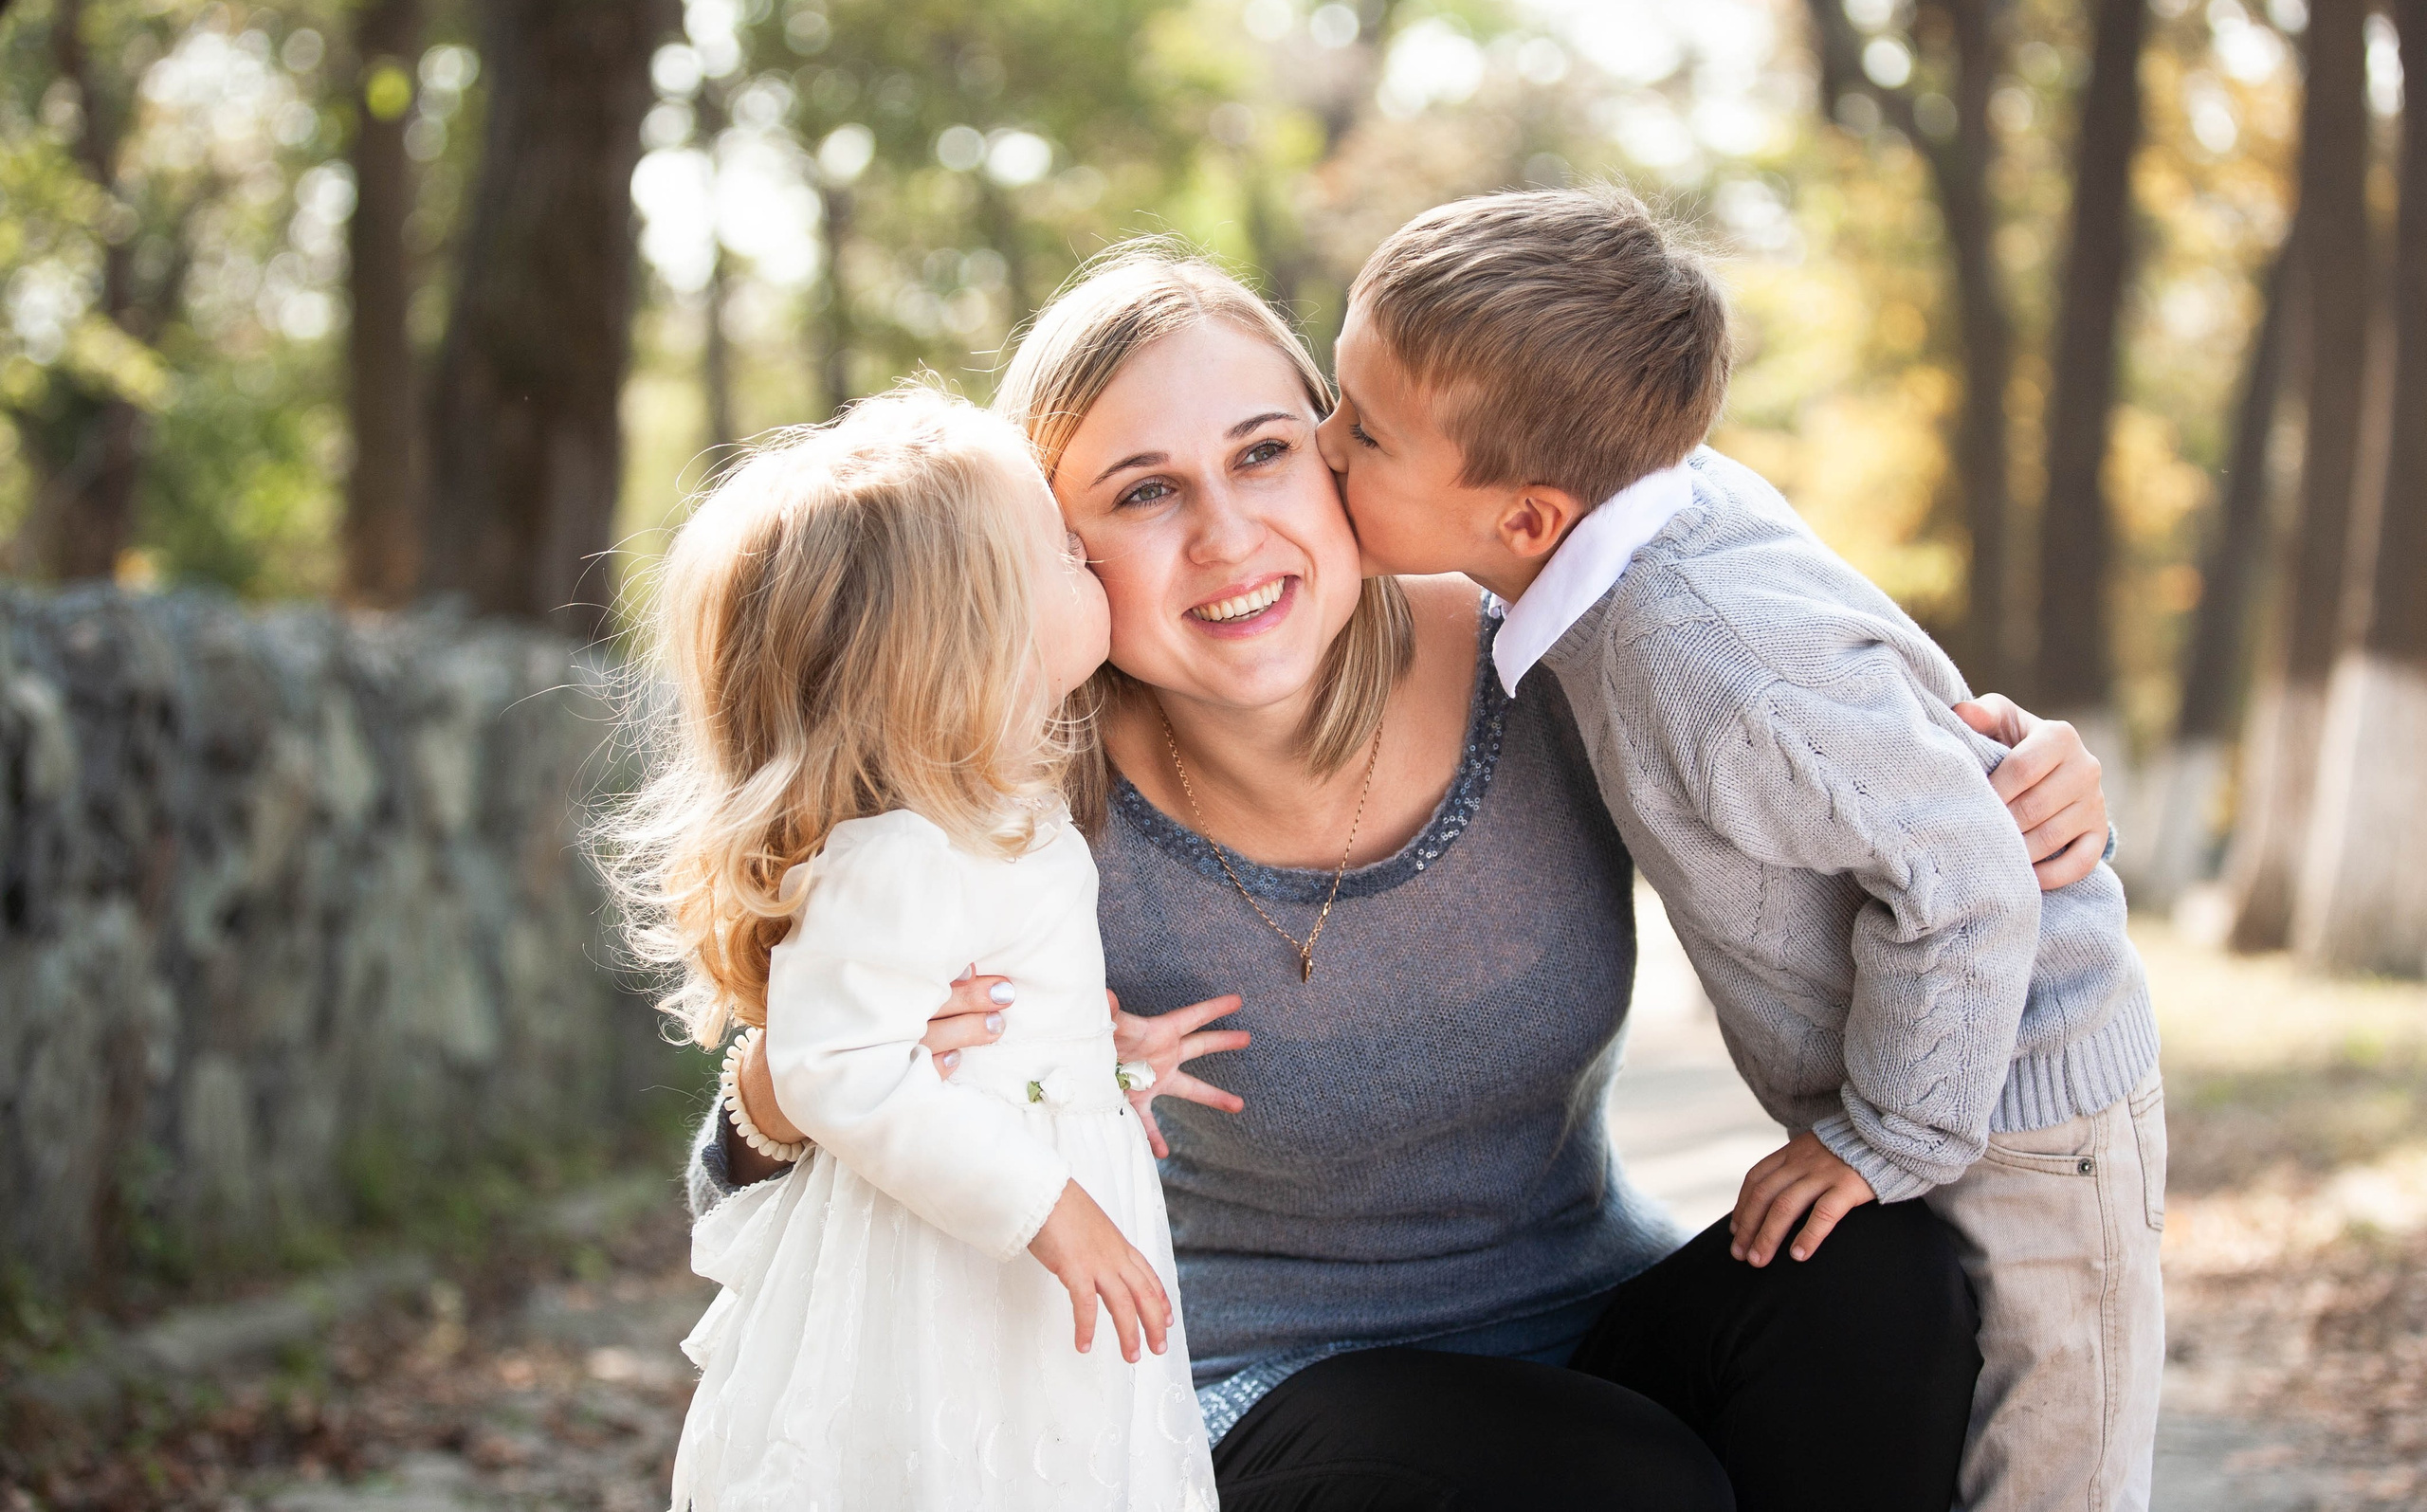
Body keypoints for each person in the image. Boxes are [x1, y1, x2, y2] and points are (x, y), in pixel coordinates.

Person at [702, 246, 2120, 1512]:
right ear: (1048, 555)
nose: (1227, 532)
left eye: (1265, 452)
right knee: (1616, 1480)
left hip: (1589, 1318)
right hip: (1262, 1395)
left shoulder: (1551, 654)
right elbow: (771, 1149)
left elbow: (1791, 667)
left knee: (1877, 1280)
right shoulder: (1021, 791)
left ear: (1340, 455)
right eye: (1144, 492)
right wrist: (780, 1085)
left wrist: (1987, 766)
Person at [1319, 186, 2163, 1512]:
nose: (1322, 446)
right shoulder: (1620, 525)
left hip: (2026, 1091)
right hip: (1931, 1066)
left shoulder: (1695, 656)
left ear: (1529, 516)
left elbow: (1966, 876)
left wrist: (1882, 1137)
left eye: (1360, 430)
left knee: (2046, 1462)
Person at [616, 389, 1216, 1511]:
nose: (1087, 554)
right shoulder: (901, 850)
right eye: (1061, 551)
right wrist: (1051, 1202)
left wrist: (1095, 1061)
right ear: (970, 637)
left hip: (1020, 1267)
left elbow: (990, 1040)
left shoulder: (1002, 818)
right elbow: (836, 1069)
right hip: (943, 1271)